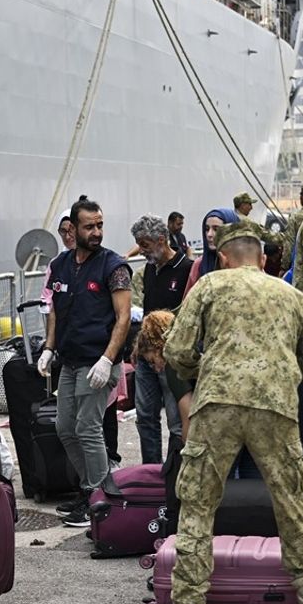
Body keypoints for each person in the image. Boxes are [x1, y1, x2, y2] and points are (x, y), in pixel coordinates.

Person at [157, 219, 303, 604]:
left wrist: (198, 369)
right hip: (275, 406)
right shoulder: (293, 296)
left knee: (198, 504)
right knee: (291, 500)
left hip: (217, 404)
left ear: (223, 259)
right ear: (263, 259)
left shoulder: (208, 287)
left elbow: (176, 350)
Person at [37, 196, 132, 527]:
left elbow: (122, 319)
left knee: (87, 427)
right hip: (71, 360)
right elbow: (55, 311)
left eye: (100, 225)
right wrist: (49, 348)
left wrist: (108, 360)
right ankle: (89, 488)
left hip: (98, 361)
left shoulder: (114, 267)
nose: (96, 232)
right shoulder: (61, 266)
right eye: (89, 226)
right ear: (72, 229)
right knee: (64, 427)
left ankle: (99, 497)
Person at [131, 215, 191, 464]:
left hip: (171, 360)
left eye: (144, 245)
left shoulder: (187, 269)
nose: (141, 251)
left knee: (176, 421)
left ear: (161, 240)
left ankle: (173, 473)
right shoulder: (147, 271)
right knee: (145, 416)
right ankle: (151, 471)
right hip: (146, 357)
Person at [184, 208, 241, 294]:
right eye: (206, 229)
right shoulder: (199, 265)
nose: (209, 234)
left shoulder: (245, 264)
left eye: (216, 229)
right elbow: (187, 302)